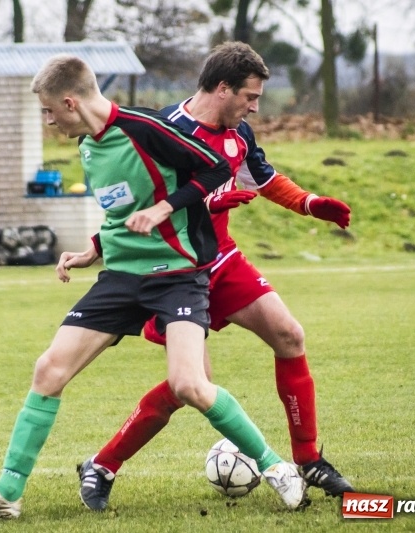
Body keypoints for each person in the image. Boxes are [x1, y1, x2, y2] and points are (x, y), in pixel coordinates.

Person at [0, 54, 308, 521]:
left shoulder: (144, 128)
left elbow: (213, 169)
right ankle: (6, 493)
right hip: (122, 278)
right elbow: (120, 210)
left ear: (70, 102)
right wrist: (91, 249)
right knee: (49, 369)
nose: (48, 121)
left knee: (190, 384)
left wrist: (164, 209)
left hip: (178, 275)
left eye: (50, 111)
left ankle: (278, 469)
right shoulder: (89, 147)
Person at [77, 41, 354, 512]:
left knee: (289, 335)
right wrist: (202, 203)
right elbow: (137, 209)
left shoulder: (238, 133)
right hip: (174, 268)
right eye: (250, 96)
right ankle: (101, 465)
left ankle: (308, 460)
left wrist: (311, 204)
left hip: (221, 260)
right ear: (222, 88)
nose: (255, 106)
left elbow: (262, 180)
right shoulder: (161, 130)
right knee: (191, 385)